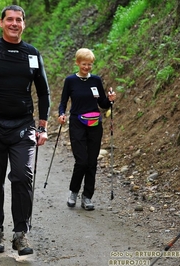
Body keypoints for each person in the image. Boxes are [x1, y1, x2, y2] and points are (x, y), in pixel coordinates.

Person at [0, 5, 50, 256]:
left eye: (19, 20)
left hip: (23, 126)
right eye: (10, 19)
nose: (14, 23)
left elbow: (44, 91)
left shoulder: (32, 54)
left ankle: (20, 234)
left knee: (23, 177)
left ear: (24, 24)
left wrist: (43, 126)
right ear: (2, 23)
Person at [58, 48, 116, 211]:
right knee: (81, 161)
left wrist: (111, 100)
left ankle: (87, 197)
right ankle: (74, 192)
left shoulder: (96, 80)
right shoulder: (70, 81)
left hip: (95, 124)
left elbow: (103, 104)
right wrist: (61, 114)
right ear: (77, 63)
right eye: (84, 64)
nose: (87, 67)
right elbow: (63, 102)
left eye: (90, 64)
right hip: (77, 122)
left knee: (91, 162)